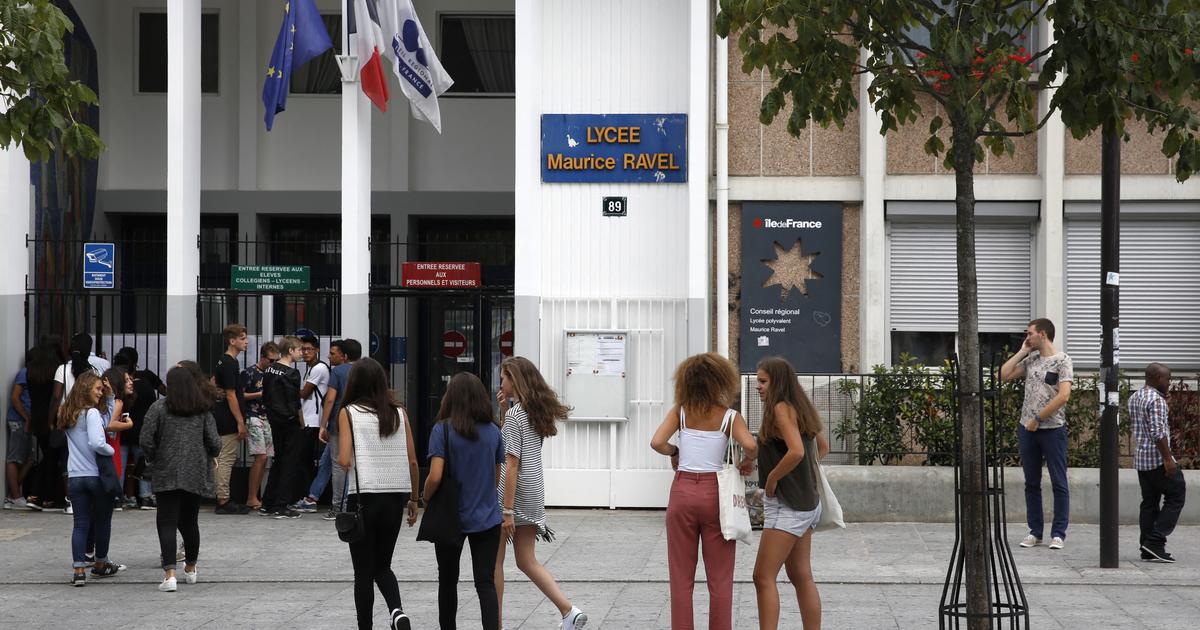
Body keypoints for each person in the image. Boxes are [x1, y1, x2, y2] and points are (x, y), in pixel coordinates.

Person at [650, 353, 758, 630]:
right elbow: (752, 446)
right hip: (716, 495)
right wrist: (747, 463)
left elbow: (657, 442)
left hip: (683, 492)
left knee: (681, 577)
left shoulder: (680, 411)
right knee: (720, 578)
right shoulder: (730, 416)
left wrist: (675, 451)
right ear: (720, 381)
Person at [494, 356, 590, 630]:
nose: (500, 382)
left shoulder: (515, 416)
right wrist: (503, 411)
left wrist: (507, 510)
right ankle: (568, 610)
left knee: (495, 562)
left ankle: (495, 624)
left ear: (515, 380)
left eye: (504, 377)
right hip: (535, 489)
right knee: (526, 560)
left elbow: (511, 462)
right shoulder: (532, 411)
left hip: (513, 494)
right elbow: (514, 445)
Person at [336, 358, 419, 630]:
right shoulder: (399, 413)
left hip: (364, 498)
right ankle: (397, 613)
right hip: (394, 499)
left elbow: (345, 459)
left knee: (363, 572)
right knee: (383, 564)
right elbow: (413, 461)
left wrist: (344, 455)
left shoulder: (348, 413)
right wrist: (414, 499)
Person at [751, 356, 828, 630]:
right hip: (806, 503)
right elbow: (822, 447)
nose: (757, 386)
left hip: (789, 505)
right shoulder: (799, 407)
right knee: (800, 575)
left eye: (763, 381)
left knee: (762, 576)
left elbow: (796, 451)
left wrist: (773, 479)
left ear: (777, 382)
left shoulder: (780, 409)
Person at [423, 372, 505, 630]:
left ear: (452, 398)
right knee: (485, 582)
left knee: (447, 581)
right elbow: (496, 476)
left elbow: (435, 475)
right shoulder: (494, 431)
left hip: (451, 517)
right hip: (488, 517)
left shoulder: (443, 429)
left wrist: (424, 496)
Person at [141, 365, 222, 592]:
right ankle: (191, 568)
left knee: (166, 522)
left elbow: (146, 439)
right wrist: (207, 454)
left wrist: (154, 456)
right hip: (195, 473)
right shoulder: (203, 411)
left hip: (166, 471)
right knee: (189, 522)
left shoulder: (158, 408)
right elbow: (215, 443)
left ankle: (170, 575)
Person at [1000, 318, 1073, 550]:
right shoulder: (1031, 359)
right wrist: (1022, 351)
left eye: (1029, 334)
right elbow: (1003, 374)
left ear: (1043, 334)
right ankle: (1035, 531)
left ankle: (1058, 533)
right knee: (1031, 482)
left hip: (1052, 429)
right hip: (1027, 429)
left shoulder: (1062, 361)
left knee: (1058, 482)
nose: (1027, 337)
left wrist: (1038, 418)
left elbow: (1063, 396)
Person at [59, 372, 123, 586]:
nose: (100, 392)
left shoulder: (68, 413)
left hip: (75, 477)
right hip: (96, 476)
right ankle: (100, 564)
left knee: (80, 524)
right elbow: (98, 441)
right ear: (86, 388)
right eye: (97, 388)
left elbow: (104, 423)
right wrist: (111, 451)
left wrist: (111, 399)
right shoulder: (91, 413)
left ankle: (78, 570)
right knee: (103, 521)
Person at [1129, 362, 1187, 563]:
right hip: (1157, 461)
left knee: (1149, 503)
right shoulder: (1156, 401)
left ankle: (1146, 547)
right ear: (1157, 378)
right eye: (1168, 378)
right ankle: (1155, 541)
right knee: (1177, 494)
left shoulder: (1135, 397)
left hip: (1142, 461)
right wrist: (1168, 459)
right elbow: (1158, 432)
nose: (1169, 382)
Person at [52, 333, 108, 515]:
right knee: (89, 457)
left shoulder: (63, 369)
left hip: (68, 417)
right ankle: (89, 499)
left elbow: (56, 396)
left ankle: (70, 501)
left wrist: (50, 421)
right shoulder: (93, 371)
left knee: (68, 460)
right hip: (88, 416)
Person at [113, 347, 165, 509]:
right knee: (143, 463)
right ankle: (146, 496)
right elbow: (163, 393)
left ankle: (117, 496)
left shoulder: (115, 381)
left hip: (122, 429)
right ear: (135, 362)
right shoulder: (147, 380)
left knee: (119, 466)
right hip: (141, 429)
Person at [315, 338, 361, 521]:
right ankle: (356, 504)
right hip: (360, 421)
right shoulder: (365, 370)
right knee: (357, 464)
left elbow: (330, 399)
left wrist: (323, 424)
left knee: (338, 465)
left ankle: (339, 507)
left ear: (345, 355)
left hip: (339, 423)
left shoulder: (338, 372)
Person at [261, 335, 304, 519]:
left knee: (278, 460)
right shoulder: (292, 374)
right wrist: (301, 421)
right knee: (289, 462)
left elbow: (266, 394)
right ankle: (281, 505)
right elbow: (295, 401)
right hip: (289, 420)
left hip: (273, 418)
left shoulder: (270, 369)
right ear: (290, 351)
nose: (301, 353)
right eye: (299, 350)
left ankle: (267, 503)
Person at [211, 324, 250, 515]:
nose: (246, 341)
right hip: (228, 417)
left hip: (223, 414)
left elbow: (213, 382)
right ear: (232, 341)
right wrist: (240, 421)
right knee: (226, 457)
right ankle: (223, 499)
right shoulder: (229, 363)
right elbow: (231, 394)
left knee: (224, 457)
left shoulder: (223, 362)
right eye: (242, 338)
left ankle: (222, 495)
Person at [289, 334, 329, 512]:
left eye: (309, 349)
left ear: (317, 350)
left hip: (313, 420)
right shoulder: (310, 368)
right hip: (308, 419)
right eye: (302, 349)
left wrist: (285, 389)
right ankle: (308, 497)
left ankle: (309, 499)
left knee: (304, 460)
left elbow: (304, 393)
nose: (305, 353)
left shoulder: (319, 368)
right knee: (304, 461)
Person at [240, 342, 280, 511]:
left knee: (266, 458)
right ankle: (251, 496)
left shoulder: (273, 374)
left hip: (267, 417)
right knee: (261, 456)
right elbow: (239, 395)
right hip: (253, 416)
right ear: (262, 357)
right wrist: (259, 394)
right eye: (271, 360)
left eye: (275, 361)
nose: (273, 364)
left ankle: (257, 495)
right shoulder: (249, 373)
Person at [25, 338, 64, 510]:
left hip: (36, 417)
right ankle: (38, 495)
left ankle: (44, 496)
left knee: (49, 456)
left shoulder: (31, 371)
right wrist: (52, 420)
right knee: (51, 457)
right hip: (51, 418)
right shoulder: (54, 371)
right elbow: (55, 398)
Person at [5, 352, 35, 509]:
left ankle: (12, 495)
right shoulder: (24, 373)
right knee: (15, 458)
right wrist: (26, 417)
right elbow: (15, 397)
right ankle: (15, 496)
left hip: (24, 420)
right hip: (19, 420)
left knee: (30, 458)